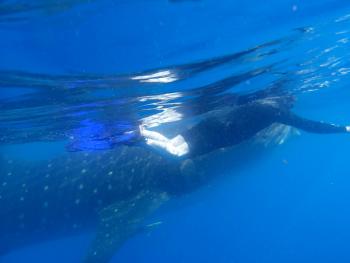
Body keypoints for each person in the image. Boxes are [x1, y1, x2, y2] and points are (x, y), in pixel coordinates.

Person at [140, 95, 350, 158]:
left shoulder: (258, 98)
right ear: (286, 103)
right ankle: (141, 140)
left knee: (175, 141)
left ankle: (141, 132)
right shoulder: (278, 112)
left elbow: (234, 101)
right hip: (224, 133)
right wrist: (343, 129)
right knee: (177, 154)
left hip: (213, 123)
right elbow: (310, 126)